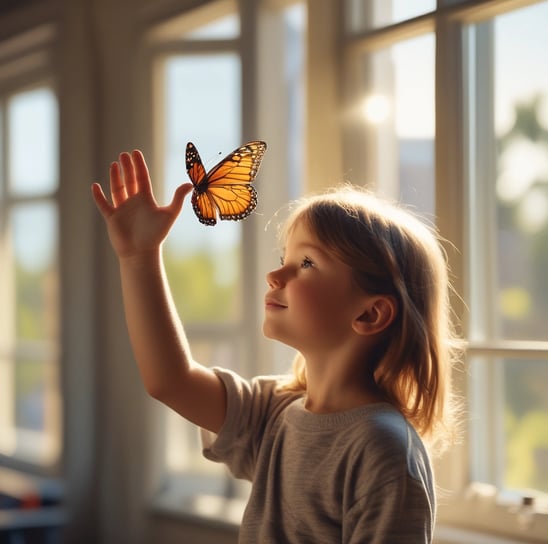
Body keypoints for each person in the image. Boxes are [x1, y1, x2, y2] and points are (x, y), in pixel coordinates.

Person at [92, 149, 463, 543]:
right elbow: (170, 380)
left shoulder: (384, 450)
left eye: (306, 263)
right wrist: (139, 257)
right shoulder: (274, 410)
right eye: (284, 257)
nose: (274, 274)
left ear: (370, 315)